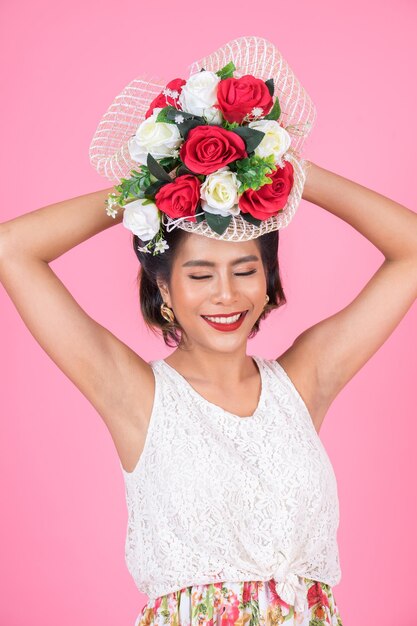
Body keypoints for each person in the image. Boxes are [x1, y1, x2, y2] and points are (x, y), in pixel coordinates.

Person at [2, 35, 417, 626]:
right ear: (165, 289)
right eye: (200, 274)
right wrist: (147, 190)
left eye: (245, 270)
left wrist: (293, 173)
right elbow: (11, 249)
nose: (226, 294)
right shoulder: (136, 397)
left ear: (268, 278)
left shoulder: (305, 382)